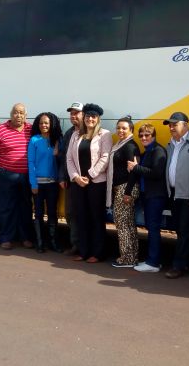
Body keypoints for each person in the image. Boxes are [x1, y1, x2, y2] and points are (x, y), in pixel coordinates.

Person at [66, 103, 112, 263]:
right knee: (81, 217)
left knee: (96, 218)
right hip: (78, 183)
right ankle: (83, 251)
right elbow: (69, 158)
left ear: (98, 118)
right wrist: (76, 177)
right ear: (83, 118)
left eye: (93, 117)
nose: (90, 119)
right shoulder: (76, 134)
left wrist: (90, 175)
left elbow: (105, 157)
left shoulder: (104, 134)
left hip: (96, 183)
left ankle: (97, 253)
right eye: (87, 116)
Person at [0, 103, 34, 250]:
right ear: (11, 114)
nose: (18, 115)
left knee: (26, 207)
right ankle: (6, 238)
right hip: (7, 175)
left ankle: (25, 237)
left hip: (26, 176)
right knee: (6, 207)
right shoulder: (1, 130)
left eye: (21, 113)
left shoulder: (31, 129)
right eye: (16, 112)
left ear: (25, 115)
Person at [162, 112, 189, 279]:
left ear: (186, 125)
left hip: (188, 196)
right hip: (174, 194)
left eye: (175, 124)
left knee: (185, 231)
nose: (171, 127)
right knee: (180, 231)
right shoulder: (170, 144)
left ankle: (178, 266)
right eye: (170, 125)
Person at [128, 123, 167, 273]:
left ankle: (153, 263)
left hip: (156, 196)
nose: (143, 138)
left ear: (153, 136)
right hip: (148, 195)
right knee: (151, 227)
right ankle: (153, 260)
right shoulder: (147, 152)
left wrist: (135, 167)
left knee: (153, 228)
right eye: (141, 135)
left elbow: (156, 173)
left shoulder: (158, 151)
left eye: (147, 135)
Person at [107, 115, 141, 267]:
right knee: (127, 224)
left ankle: (127, 258)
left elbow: (134, 171)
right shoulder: (121, 144)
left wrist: (127, 192)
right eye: (118, 127)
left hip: (125, 188)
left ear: (131, 130)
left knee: (122, 224)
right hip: (123, 188)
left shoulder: (130, 146)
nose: (120, 130)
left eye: (124, 128)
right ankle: (131, 257)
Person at [28, 112, 63, 253]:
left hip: (53, 184)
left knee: (53, 213)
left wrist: (58, 153)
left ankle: (53, 242)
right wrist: (33, 184)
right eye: (41, 123)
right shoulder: (34, 140)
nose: (44, 125)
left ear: (51, 124)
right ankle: (40, 243)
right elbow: (31, 162)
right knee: (38, 213)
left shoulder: (57, 140)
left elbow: (62, 161)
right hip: (38, 184)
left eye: (46, 123)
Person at [58, 102, 84, 255]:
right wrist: (62, 176)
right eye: (71, 113)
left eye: (77, 113)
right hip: (71, 180)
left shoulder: (90, 132)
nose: (73, 116)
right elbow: (63, 157)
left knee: (83, 214)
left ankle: (85, 246)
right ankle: (76, 244)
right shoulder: (69, 133)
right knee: (70, 213)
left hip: (87, 181)